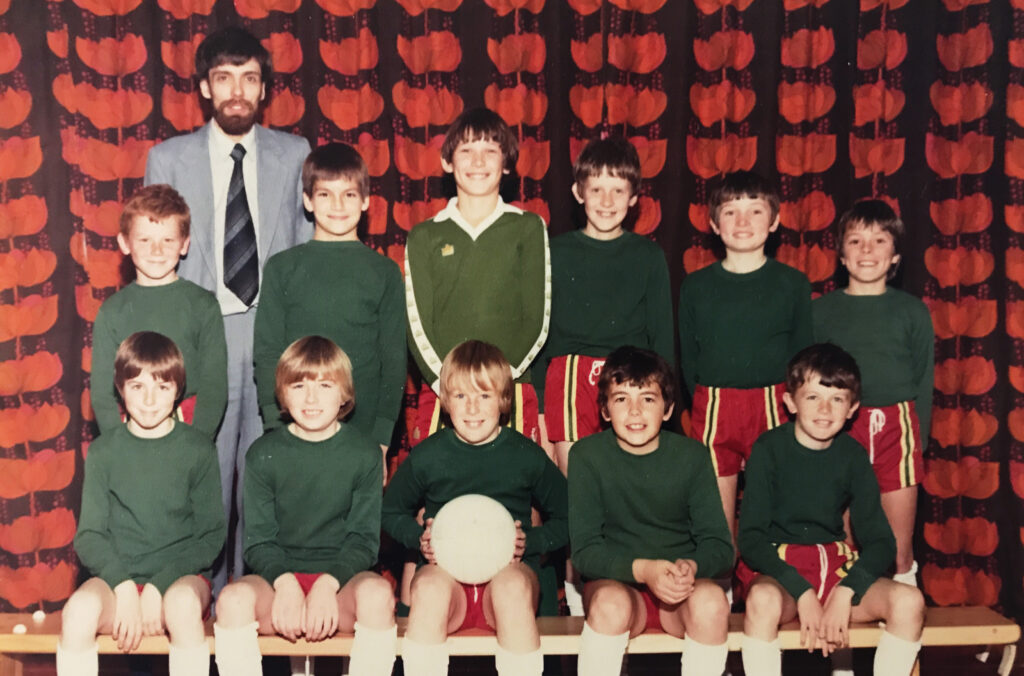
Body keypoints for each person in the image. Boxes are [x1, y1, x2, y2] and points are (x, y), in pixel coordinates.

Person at [144, 25, 311, 586]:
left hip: (271, 338)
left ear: (264, 89)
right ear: (204, 88)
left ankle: (251, 613)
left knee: (263, 483)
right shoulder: (168, 159)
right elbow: (156, 257)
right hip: (202, 340)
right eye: (224, 78)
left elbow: (308, 252)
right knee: (205, 481)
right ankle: (199, 607)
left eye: (249, 78)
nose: (237, 90)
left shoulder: (295, 155)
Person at [382, 340, 568, 676]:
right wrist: (417, 537)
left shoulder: (525, 454)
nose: (472, 408)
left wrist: (534, 541)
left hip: (508, 580)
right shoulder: (429, 455)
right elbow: (388, 510)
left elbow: (572, 514)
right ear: (445, 402)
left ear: (503, 400)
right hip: (447, 582)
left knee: (512, 589)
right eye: (461, 396)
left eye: (484, 395)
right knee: (426, 588)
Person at [738, 343, 925, 676]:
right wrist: (803, 592)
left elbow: (881, 541)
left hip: (836, 568)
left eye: (837, 399)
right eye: (812, 397)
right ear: (790, 402)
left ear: (852, 408)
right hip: (782, 574)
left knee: (910, 601)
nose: (824, 409)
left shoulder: (853, 456)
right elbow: (751, 539)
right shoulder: (768, 449)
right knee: (761, 601)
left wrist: (846, 591)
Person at [214, 336, 395, 676]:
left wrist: (328, 583)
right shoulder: (263, 455)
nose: (311, 398)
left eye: (325, 385)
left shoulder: (364, 453)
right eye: (299, 385)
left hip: (340, 582)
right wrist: (285, 583)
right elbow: (258, 542)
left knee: (377, 595)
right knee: (231, 601)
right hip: (278, 580)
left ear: (344, 395)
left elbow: (364, 541)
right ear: (282, 393)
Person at [60, 332, 225, 676]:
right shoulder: (104, 452)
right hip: (119, 578)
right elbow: (89, 536)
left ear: (178, 389)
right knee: (77, 611)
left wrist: (157, 586)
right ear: (120, 388)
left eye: (162, 387)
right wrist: (123, 587)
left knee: (181, 607)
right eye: (137, 386)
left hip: (180, 577)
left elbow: (210, 536)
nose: (149, 400)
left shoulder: (198, 449)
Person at [569, 346, 733, 676]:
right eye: (620, 399)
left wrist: (691, 566)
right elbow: (585, 553)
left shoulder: (692, 456)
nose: (634, 412)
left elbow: (721, 548)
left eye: (647, 398)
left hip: (679, 592)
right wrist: (644, 570)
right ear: (604, 409)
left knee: (713, 603)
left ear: (668, 407)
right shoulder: (587, 455)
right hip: (618, 588)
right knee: (609, 605)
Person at [677, 170, 813, 542]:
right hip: (715, 405)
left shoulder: (792, 284)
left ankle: (772, 589)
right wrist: (706, 396)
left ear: (774, 221)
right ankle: (721, 591)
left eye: (755, 211)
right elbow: (689, 360)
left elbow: (803, 357)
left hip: (774, 404)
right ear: (713, 223)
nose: (742, 222)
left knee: (773, 513)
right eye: (730, 211)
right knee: (717, 523)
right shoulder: (697, 286)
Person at [254, 142, 404, 476]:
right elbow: (266, 352)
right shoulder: (282, 268)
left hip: (361, 431)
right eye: (325, 194)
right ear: (308, 200)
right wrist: (273, 422)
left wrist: (381, 437)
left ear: (365, 201)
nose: (337, 205)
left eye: (349, 195)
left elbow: (394, 361)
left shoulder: (384, 272)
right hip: (294, 425)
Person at [404, 108, 550, 446]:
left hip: (509, 390)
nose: (478, 161)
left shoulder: (528, 228)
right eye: (466, 151)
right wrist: (449, 384)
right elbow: (417, 324)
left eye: (490, 151)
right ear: (448, 162)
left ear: (507, 163)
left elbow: (536, 321)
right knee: (439, 492)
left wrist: (495, 385)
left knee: (513, 491)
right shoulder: (425, 236)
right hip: (444, 391)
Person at [813, 200, 934, 587]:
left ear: (895, 254)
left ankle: (906, 631)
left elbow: (923, 379)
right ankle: (842, 644)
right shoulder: (819, 312)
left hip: (896, 430)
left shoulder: (912, 312)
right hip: (837, 429)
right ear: (842, 254)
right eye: (856, 241)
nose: (867, 250)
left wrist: (919, 443)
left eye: (879, 240)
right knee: (841, 544)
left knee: (897, 547)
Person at [536, 137, 674, 475]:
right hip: (570, 377)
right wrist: (539, 404)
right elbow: (540, 332)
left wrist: (664, 396)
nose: (607, 201)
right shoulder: (555, 252)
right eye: (596, 190)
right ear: (578, 193)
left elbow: (662, 334)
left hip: (632, 378)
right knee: (577, 481)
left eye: (618, 190)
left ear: (635, 198)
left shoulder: (649, 256)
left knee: (629, 480)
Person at [91, 184, 227, 440]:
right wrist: (120, 445)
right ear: (124, 243)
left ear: (184, 244)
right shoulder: (113, 311)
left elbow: (214, 387)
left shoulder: (202, 305)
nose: (157, 251)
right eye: (145, 240)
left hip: (188, 430)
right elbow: (101, 394)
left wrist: (195, 443)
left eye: (168, 240)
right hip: (129, 431)